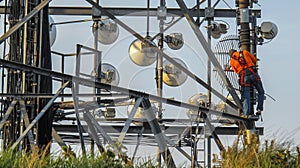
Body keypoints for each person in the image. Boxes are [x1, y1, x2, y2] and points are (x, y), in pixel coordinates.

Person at [228, 49, 265, 116]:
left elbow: (236, 71)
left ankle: (246, 114)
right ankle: (259, 109)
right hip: (253, 74)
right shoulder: (245, 52)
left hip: (244, 77)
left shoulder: (232, 61)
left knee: (246, 95)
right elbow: (254, 60)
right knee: (261, 91)